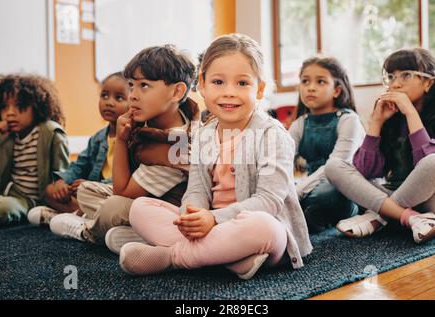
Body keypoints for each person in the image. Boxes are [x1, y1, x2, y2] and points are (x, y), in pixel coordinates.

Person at [119, 34, 312, 280]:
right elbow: (196, 189)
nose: (229, 92)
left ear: (260, 89)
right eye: (218, 82)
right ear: (202, 84)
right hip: (210, 228)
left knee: (263, 227)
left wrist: (213, 218)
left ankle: (173, 257)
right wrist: (193, 215)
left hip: (258, 229)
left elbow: (269, 202)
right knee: (140, 208)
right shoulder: (204, 134)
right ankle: (229, 258)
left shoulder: (273, 136)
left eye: (242, 83)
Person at [49, 45, 200, 251]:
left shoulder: (177, 148)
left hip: (167, 215)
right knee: (87, 190)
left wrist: (121, 140)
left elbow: (123, 192)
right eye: (131, 85)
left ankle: (87, 230)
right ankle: (131, 234)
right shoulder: (152, 121)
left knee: (113, 206)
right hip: (142, 200)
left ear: (177, 92)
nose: (133, 95)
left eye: (144, 86)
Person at [326, 48, 435, 243]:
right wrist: (377, 123)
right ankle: (408, 218)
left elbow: (431, 166)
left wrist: (410, 113)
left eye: (406, 75)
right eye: (391, 76)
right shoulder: (392, 119)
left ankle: (379, 216)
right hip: (394, 192)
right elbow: (365, 171)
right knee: (334, 166)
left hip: (434, 203)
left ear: (428, 83)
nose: (395, 83)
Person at [27, 72, 129, 225]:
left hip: (111, 194)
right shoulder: (98, 138)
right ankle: (80, 216)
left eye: (119, 98)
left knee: (106, 203)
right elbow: (79, 165)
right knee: (49, 191)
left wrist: (91, 186)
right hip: (88, 194)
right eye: (104, 95)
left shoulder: (132, 139)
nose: (109, 102)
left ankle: (67, 217)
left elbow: (125, 181)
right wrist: (62, 181)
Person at [288, 57, 365, 233]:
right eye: (305, 81)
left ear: (337, 90)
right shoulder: (300, 123)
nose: (311, 87)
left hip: (342, 186)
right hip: (311, 186)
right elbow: (282, 160)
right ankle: (311, 218)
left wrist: (297, 192)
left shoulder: (348, 120)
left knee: (332, 195)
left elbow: (335, 166)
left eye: (320, 81)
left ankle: (349, 212)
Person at [0, 74, 68, 225]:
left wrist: (60, 184)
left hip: (32, 199)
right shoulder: (8, 135)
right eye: (4, 106)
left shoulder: (50, 133)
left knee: (2, 207)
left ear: (36, 106)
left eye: (19, 106)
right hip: (9, 191)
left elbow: (63, 173)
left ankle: (44, 212)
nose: (10, 113)